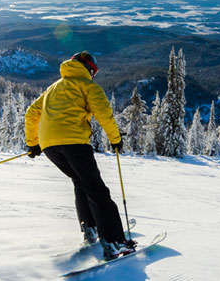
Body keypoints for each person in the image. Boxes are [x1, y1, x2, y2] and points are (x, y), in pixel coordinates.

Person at [25, 51, 136, 260]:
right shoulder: (88, 87)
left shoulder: (53, 88)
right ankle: (114, 242)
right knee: (96, 189)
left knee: (80, 181)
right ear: (89, 70)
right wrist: (115, 139)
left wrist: (33, 144)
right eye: (93, 72)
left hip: (49, 146)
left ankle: (91, 228)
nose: (93, 76)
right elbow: (104, 114)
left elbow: (32, 113)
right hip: (74, 142)